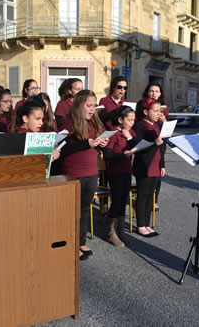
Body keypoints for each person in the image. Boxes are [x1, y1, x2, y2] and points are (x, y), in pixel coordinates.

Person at [59, 90, 108, 260]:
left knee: (85, 208)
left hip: (91, 172)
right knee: (72, 211)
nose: (92, 109)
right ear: (79, 105)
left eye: (94, 105)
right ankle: (71, 244)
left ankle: (80, 241)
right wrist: (86, 144)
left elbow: (95, 143)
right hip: (73, 173)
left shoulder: (94, 121)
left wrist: (102, 143)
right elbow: (62, 149)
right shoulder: (68, 121)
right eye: (89, 105)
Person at [102, 105, 137, 247]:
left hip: (127, 171)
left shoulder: (131, 133)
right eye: (129, 119)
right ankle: (111, 232)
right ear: (120, 119)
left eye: (133, 120)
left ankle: (120, 230)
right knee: (116, 201)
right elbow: (108, 156)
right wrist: (122, 155)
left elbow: (136, 145)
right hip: (115, 172)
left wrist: (129, 137)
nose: (132, 122)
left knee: (123, 200)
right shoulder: (112, 134)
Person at [132, 98, 166, 237]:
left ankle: (147, 223)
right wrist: (155, 143)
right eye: (155, 111)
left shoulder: (157, 125)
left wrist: (163, 164)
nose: (159, 114)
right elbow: (140, 148)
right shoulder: (140, 126)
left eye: (160, 111)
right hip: (144, 165)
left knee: (151, 196)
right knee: (142, 196)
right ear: (146, 111)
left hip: (156, 165)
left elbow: (162, 147)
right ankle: (140, 225)